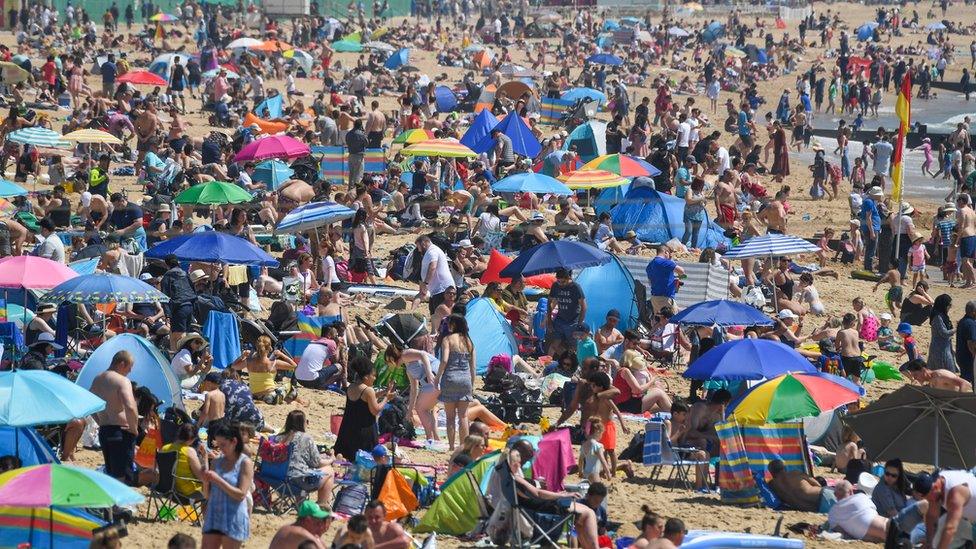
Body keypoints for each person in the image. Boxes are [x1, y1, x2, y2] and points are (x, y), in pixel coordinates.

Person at [490, 438, 601, 549]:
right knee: (588, 513)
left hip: (531, 509)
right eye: (521, 461)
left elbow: (530, 492)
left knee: (579, 517)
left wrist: (540, 486)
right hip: (542, 510)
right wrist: (562, 495)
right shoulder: (515, 478)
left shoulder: (505, 475)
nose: (523, 463)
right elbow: (538, 494)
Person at [90, 350, 139, 486]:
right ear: (122, 364)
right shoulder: (122, 381)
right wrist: (134, 429)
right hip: (121, 432)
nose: (129, 372)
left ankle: (111, 505)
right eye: (129, 368)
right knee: (122, 476)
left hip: (105, 431)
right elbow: (130, 406)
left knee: (111, 472)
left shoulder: (97, 379)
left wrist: (101, 422)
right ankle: (119, 506)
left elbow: (91, 406)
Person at [201, 421, 253, 549]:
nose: (220, 449)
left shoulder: (244, 463)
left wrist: (218, 480)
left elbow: (241, 494)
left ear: (234, 442)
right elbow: (208, 496)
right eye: (218, 445)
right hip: (214, 513)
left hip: (233, 516)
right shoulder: (216, 463)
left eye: (223, 445)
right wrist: (205, 482)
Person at [825, 479, 926, 542]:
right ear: (851, 491)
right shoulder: (861, 497)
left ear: (835, 495)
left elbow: (841, 531)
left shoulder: (832, 514)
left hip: (885, 534)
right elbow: (874, 512)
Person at [274, 410, 337, 507]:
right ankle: (322, 504)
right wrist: (331, 459)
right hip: (296, 482)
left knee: (300, 469)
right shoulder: (306, 438)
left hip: (276, 480)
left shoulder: (278, 438)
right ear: (302, 423)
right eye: (306, 421)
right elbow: (317, 463)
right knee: (329, 471)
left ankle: (301, 502)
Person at [334, 355, 388, 461]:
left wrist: (384, 392)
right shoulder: (368, 390)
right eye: (373, 376)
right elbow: (375, 410)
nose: (375, 378)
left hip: (348, 430)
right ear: (366, 377)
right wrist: (386, 398)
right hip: (364, 432)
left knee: (347, 456)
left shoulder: (351, 387)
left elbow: (364, 400)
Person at [437, 314, 476, 451]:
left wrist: (437, 378)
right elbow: (473, 367)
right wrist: (472, 384)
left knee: (450, 417)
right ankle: (464, 446)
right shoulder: (469, 341)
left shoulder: (447, 339)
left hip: (450, 378)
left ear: (453, 325)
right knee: (464, 416)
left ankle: (452, 447)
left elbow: (444, 360)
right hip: (465, 380)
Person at [920, 470, 976, 549]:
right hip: (972, 520)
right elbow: (931, 515)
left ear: (934, 488)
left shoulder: (955, 494)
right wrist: (929, 542)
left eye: (930, 499)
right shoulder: (938, 483)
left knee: (945, 529)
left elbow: (950, 529)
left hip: (972, 521)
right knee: (940, 531)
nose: (930, 501)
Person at [767, 458, 835, 513]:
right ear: (784, 468)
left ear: (771, 473)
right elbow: (817, 484)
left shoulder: (772, 486)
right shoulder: (795, 473)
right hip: (823, 496)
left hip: (814, 508)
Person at [159, 423, 205, 498]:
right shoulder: (189, 451)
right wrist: (205, 457)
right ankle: (204, 510)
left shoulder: (164, 448)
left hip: (165, 489)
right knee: (212, 489)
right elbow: (202, 478)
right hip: (185, 493)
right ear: (191, 439)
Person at [547, 268, 587, 356]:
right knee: (554, 345)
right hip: (559, 320)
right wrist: (549, 321)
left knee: (573, 347)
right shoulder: (555, 286)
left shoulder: (575, 287)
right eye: (558, 281)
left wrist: (579, 324)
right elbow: (549, 302)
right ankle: (547, 366)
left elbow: (584, 307)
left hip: (573, 321)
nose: (560, 284)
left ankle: (571, 361)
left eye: (563, 282)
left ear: (569, 278)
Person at [269, 500, 334, 549]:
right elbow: (318, 544)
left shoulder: (287, 528)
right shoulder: (298, 532)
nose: (319, 525)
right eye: (317, 522)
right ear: (308, 520)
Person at [416, 235, 455, 314]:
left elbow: (433, 266)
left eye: (418, 247)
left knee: (442, 316)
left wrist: (426, 283)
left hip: (442, 289)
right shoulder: (431, 251)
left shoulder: (432, 251)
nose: (419, 250)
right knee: (434, 315)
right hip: (436, 291)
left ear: (423, 243)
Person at [647, 245, 684, 314]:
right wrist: (671, 261)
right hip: (665, 299)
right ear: (666, 252)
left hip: (654, 299)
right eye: (669, 254)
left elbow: (650, 282)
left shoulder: (650, 265)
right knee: (670, 323)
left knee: (659, 322)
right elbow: (681, 271)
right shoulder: (665, 262)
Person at [900, 358, 972, 392]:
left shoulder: (940, 375)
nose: (915, 378)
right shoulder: (931, 381)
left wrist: (959, 400)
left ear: (923, 370)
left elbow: (965, 383)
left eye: (916, 375)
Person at [929, 294, 958, 372]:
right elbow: (944, 333)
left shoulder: (942, 315)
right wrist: (956, 329)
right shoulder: (938, 317)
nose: (950, 307)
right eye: (949, 305)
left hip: (944, 346)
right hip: (940, 348)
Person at [579, 416, 612, 484]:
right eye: (601, 434)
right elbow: (603, 460)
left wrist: (580, 472)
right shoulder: (598, 446)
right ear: (598, 431)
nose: (601, 436)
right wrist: (608, 473)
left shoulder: (584, 445)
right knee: (597, 491)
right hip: (594, 473)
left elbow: (580, 460)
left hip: (586, 473)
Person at [957, 300, 976, 385]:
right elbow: (971, 343)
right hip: (968, 358)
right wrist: (974, 355)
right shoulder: (970, 324)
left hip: (961, 355)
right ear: (974, 312)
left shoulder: (962, 321)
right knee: (969, 380)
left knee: (965, 379)